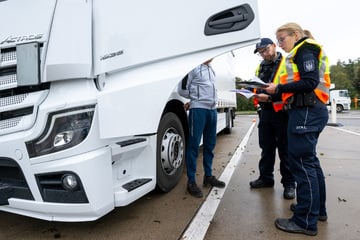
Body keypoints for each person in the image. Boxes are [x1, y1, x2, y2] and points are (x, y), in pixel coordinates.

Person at [266, 23, 331, 236]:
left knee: (302, 164)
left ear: (295, 35)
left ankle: (304, 220)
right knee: (310, 162)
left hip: (306, 110)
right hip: (310, 109)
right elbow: (296, 84)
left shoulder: (305, 49)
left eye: (282, 39)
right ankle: (316, 209)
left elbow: (309, 81)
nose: (280, 44)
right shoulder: (302, 51)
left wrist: (280, 88)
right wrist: (271, 95)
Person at [249, 38, 296, 199]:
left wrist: (269, 98)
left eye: (265, 50)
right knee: (266, 148)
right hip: (266, 113)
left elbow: (291, 88)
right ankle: (266, 178)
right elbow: (257, 85)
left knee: (285, 150)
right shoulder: (260, 67)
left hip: (283, 112)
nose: (263, 54)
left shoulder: (287, 62)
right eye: (260, 52)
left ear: (274, 46)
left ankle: (289, 184)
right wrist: (251, 90)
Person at [178, 59, 226, 198]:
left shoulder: (211, 69)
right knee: (193, 146)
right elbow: (181, 89)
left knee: (210, 145)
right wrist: (194, 98)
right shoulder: (192, 67)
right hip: (198, 110)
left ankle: (208, 176)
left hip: (212, 110)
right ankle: (191, 181)